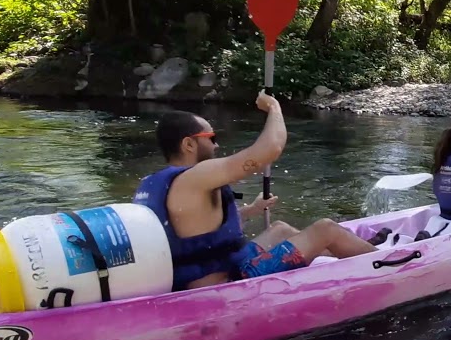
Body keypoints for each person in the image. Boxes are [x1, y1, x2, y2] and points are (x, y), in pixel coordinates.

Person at [134, 92, 376, 291]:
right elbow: (270, 149)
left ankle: (344, 253)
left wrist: (251, 210)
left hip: (200, 277)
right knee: (326, 228)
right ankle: (387, 261)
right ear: (189, 144)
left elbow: (196, 233)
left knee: (280, 229)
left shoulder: (153, 184)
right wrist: (274, 107)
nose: (217, 145)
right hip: (227, 286)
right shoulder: (195, 176)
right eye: (211, 137)